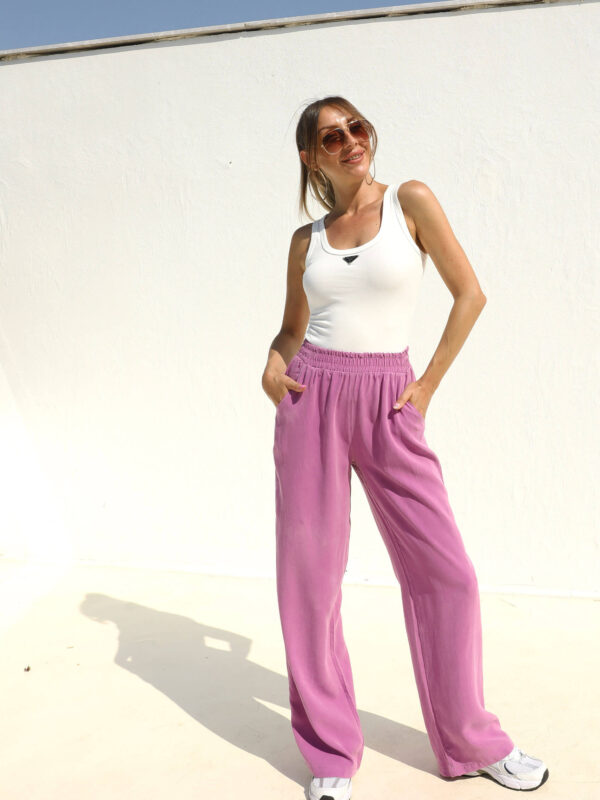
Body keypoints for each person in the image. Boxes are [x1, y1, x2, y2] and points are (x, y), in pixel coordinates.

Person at [261, 96, 549, 800]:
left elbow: (469, 294)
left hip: (390, 397)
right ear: (311, 156)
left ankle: (471, 740)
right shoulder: (306, 240)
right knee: (309, 581)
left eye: (357, 127)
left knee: (447, 573)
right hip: (312, 399)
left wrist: (425, 386)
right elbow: (293, 329)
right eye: (333, 136)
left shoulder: (409, 202)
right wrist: (272, 364)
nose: (351, 141)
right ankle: (331, 751)